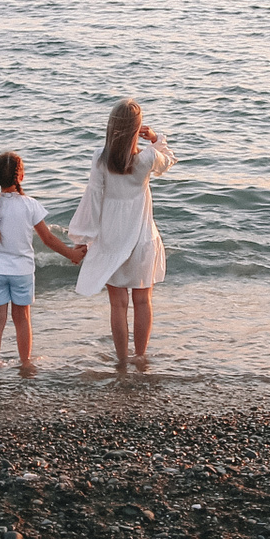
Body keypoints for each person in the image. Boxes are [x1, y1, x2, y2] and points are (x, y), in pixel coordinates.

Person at [71, 98, 177, 365]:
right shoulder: (147, 157)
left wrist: (84, 237)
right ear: (137, 129)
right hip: (142, 237)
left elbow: (93, 198)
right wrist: (156, 139)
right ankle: (140, 358)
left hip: (111, 238)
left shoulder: (101, 158)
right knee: (143, 301)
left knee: (118, 305)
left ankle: (121, 361)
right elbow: (168, 161)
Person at [0, 151, 86, 369]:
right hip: (22, 272)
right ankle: (25, 363)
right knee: (22, 319)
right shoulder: (29, 204)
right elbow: (48, 239)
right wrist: (71, 254)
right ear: (21, 176)